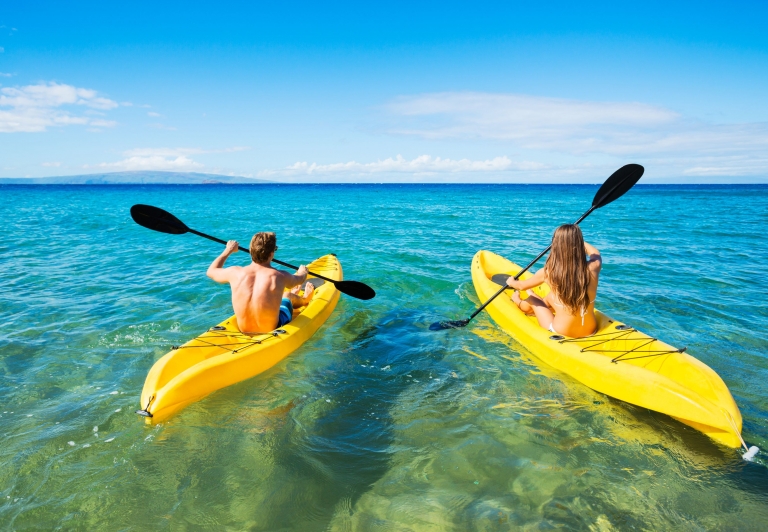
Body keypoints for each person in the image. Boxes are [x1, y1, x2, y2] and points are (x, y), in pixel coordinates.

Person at [206, 231, 315, 334]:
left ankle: (294, 296)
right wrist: (303, 272)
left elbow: (211, 271)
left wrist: (228, 250)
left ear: (250, 250)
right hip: (274, 328)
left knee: (284, 295)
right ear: (271, 254)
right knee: (287, 295)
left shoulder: (235, 273)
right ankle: (305, 299)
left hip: (244, 330)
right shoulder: (279, 276)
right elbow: (299, 280)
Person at [505, 224, 601, 338]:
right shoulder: (594, 267)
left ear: (556, 245)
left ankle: (520, 301)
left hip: (561, 332)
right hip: (590, 330)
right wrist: (575, 239)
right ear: (579, 244)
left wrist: (511, 282)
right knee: (551, 296)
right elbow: (595, 253)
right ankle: (536, 296)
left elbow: (521, 286)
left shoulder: (548, 272)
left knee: (532, 300)